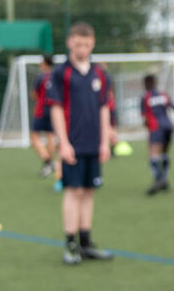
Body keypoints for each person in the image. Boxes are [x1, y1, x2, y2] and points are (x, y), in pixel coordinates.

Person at [47, 22, 114, 265]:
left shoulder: (100, 74)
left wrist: (105, 142)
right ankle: (70, 244)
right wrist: (62, 143)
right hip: (71, 144)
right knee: (73, 192)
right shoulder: (60, 73)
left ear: (92, 44)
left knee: (89, 191)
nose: (83, 48)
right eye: (78, 43)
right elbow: (55, 109)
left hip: (94, 144)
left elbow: (104, 108)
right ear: (70, 42)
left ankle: (86, 243)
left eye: (87, 44)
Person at [141, 73, 174, 195]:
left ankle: (158, 179)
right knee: (165, 153)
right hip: (169, 127)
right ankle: (164, 179)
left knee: (153, 153)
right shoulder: (163, 95)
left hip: (156, 127)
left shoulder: (145, 97)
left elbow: (145, 118)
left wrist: (148, 129)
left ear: (145, 84)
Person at [30, 55, 59, 179]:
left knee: (34, 136)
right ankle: (50, 163)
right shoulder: (57, 76)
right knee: (50, 136)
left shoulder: (41, 77)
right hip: (54, 111)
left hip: (41, 110)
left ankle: (47, 161)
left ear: (44, 63)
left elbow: (34, 94)